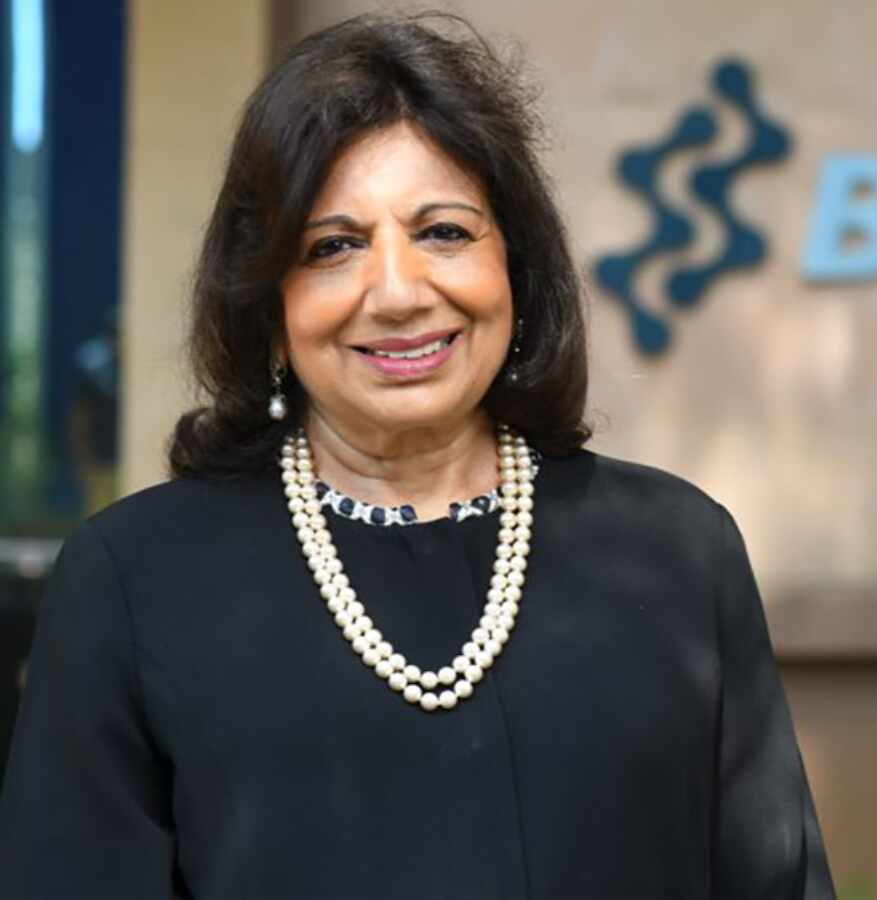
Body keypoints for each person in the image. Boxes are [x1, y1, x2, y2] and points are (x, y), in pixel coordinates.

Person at [0, 13, 833, 899]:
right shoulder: (134, 581)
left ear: (513, 263)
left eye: (443, 232)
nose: (397, 292)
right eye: (333, 247)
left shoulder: (677, 552)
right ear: (266, 300)